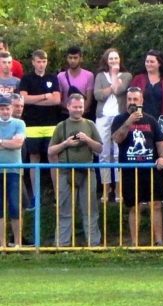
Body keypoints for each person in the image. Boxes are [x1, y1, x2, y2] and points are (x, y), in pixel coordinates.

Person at [111, 87, 163, 246]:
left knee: (156, 204)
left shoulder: (151, 120)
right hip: (130, 170)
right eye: (129, 99)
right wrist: (128, 123)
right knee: (134, 207)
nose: (132, 102)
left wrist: (162, 157)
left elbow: (160, 142)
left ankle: (159, 241)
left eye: (135, 99)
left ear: (141, 101)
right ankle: (135, 243)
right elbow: (117, 139)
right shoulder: (119, 119)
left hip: (150, 169)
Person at [48, 94, 102, 247]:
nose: (78, 109)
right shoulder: (61, 126)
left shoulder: (90, 124)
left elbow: (99, 148)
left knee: (90, 209)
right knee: (64, 209)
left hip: (87, 172)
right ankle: (62, 244)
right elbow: (50, 151)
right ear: (68, 106)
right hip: (65, 173)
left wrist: (87, 140)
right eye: (75, 107)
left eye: (80, 107)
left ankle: (93, 244)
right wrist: (65, 144)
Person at [19, 49, 61, 207]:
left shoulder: (52, 78)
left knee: (53, 158)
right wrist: (44, 96)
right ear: (33, 62)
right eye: (38, 61)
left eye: (44, 61)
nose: (41, 64)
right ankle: (36, 198)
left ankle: (58, 196)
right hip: (32, 125)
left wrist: (34, 101)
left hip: (51, 124)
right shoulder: (26, 79)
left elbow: (56, 100)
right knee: (34, 158)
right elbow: (24, 99)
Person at [94, 48, 132, 203]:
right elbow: (98, 95)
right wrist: (111, 87)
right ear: (106, 60)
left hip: (119, 117)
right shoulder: (100, 76)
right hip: (102, 117)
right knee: (103, 154)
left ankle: (118, 189)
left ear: (120, 59)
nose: (114, 61)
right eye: (111, 59)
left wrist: (115, 75)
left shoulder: (126, 75)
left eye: (116, 58)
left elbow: (119, 90)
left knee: (118, 154)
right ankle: (105, 188)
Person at [130, 49, 163, 133]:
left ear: (159, 64)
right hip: (141, 123)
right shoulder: (138, 79)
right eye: (147, 61)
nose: (148, 64)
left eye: (152, 62)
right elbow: (130, 101)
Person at [0, 95, 26, 247]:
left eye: (7, 108)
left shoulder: (19, 123)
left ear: (11, 109)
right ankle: (2, 244)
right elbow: (14, 143)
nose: (5, 111)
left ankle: (17, 244)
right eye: (2, 109)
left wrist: (1, 142)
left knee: (15, 206)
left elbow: (18, 144)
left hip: (14, 170)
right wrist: (9, 142)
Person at [57, 46, 94, 120]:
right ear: (67, 59)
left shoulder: (89, 75)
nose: (72, 60)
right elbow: (59, 99)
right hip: (66, 115)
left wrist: (79, 111)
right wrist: (72, 109)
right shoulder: (60, 76)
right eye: (70, 58)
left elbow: (89, 100)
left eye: (75, 58)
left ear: (81, 58)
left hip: (84, 115)